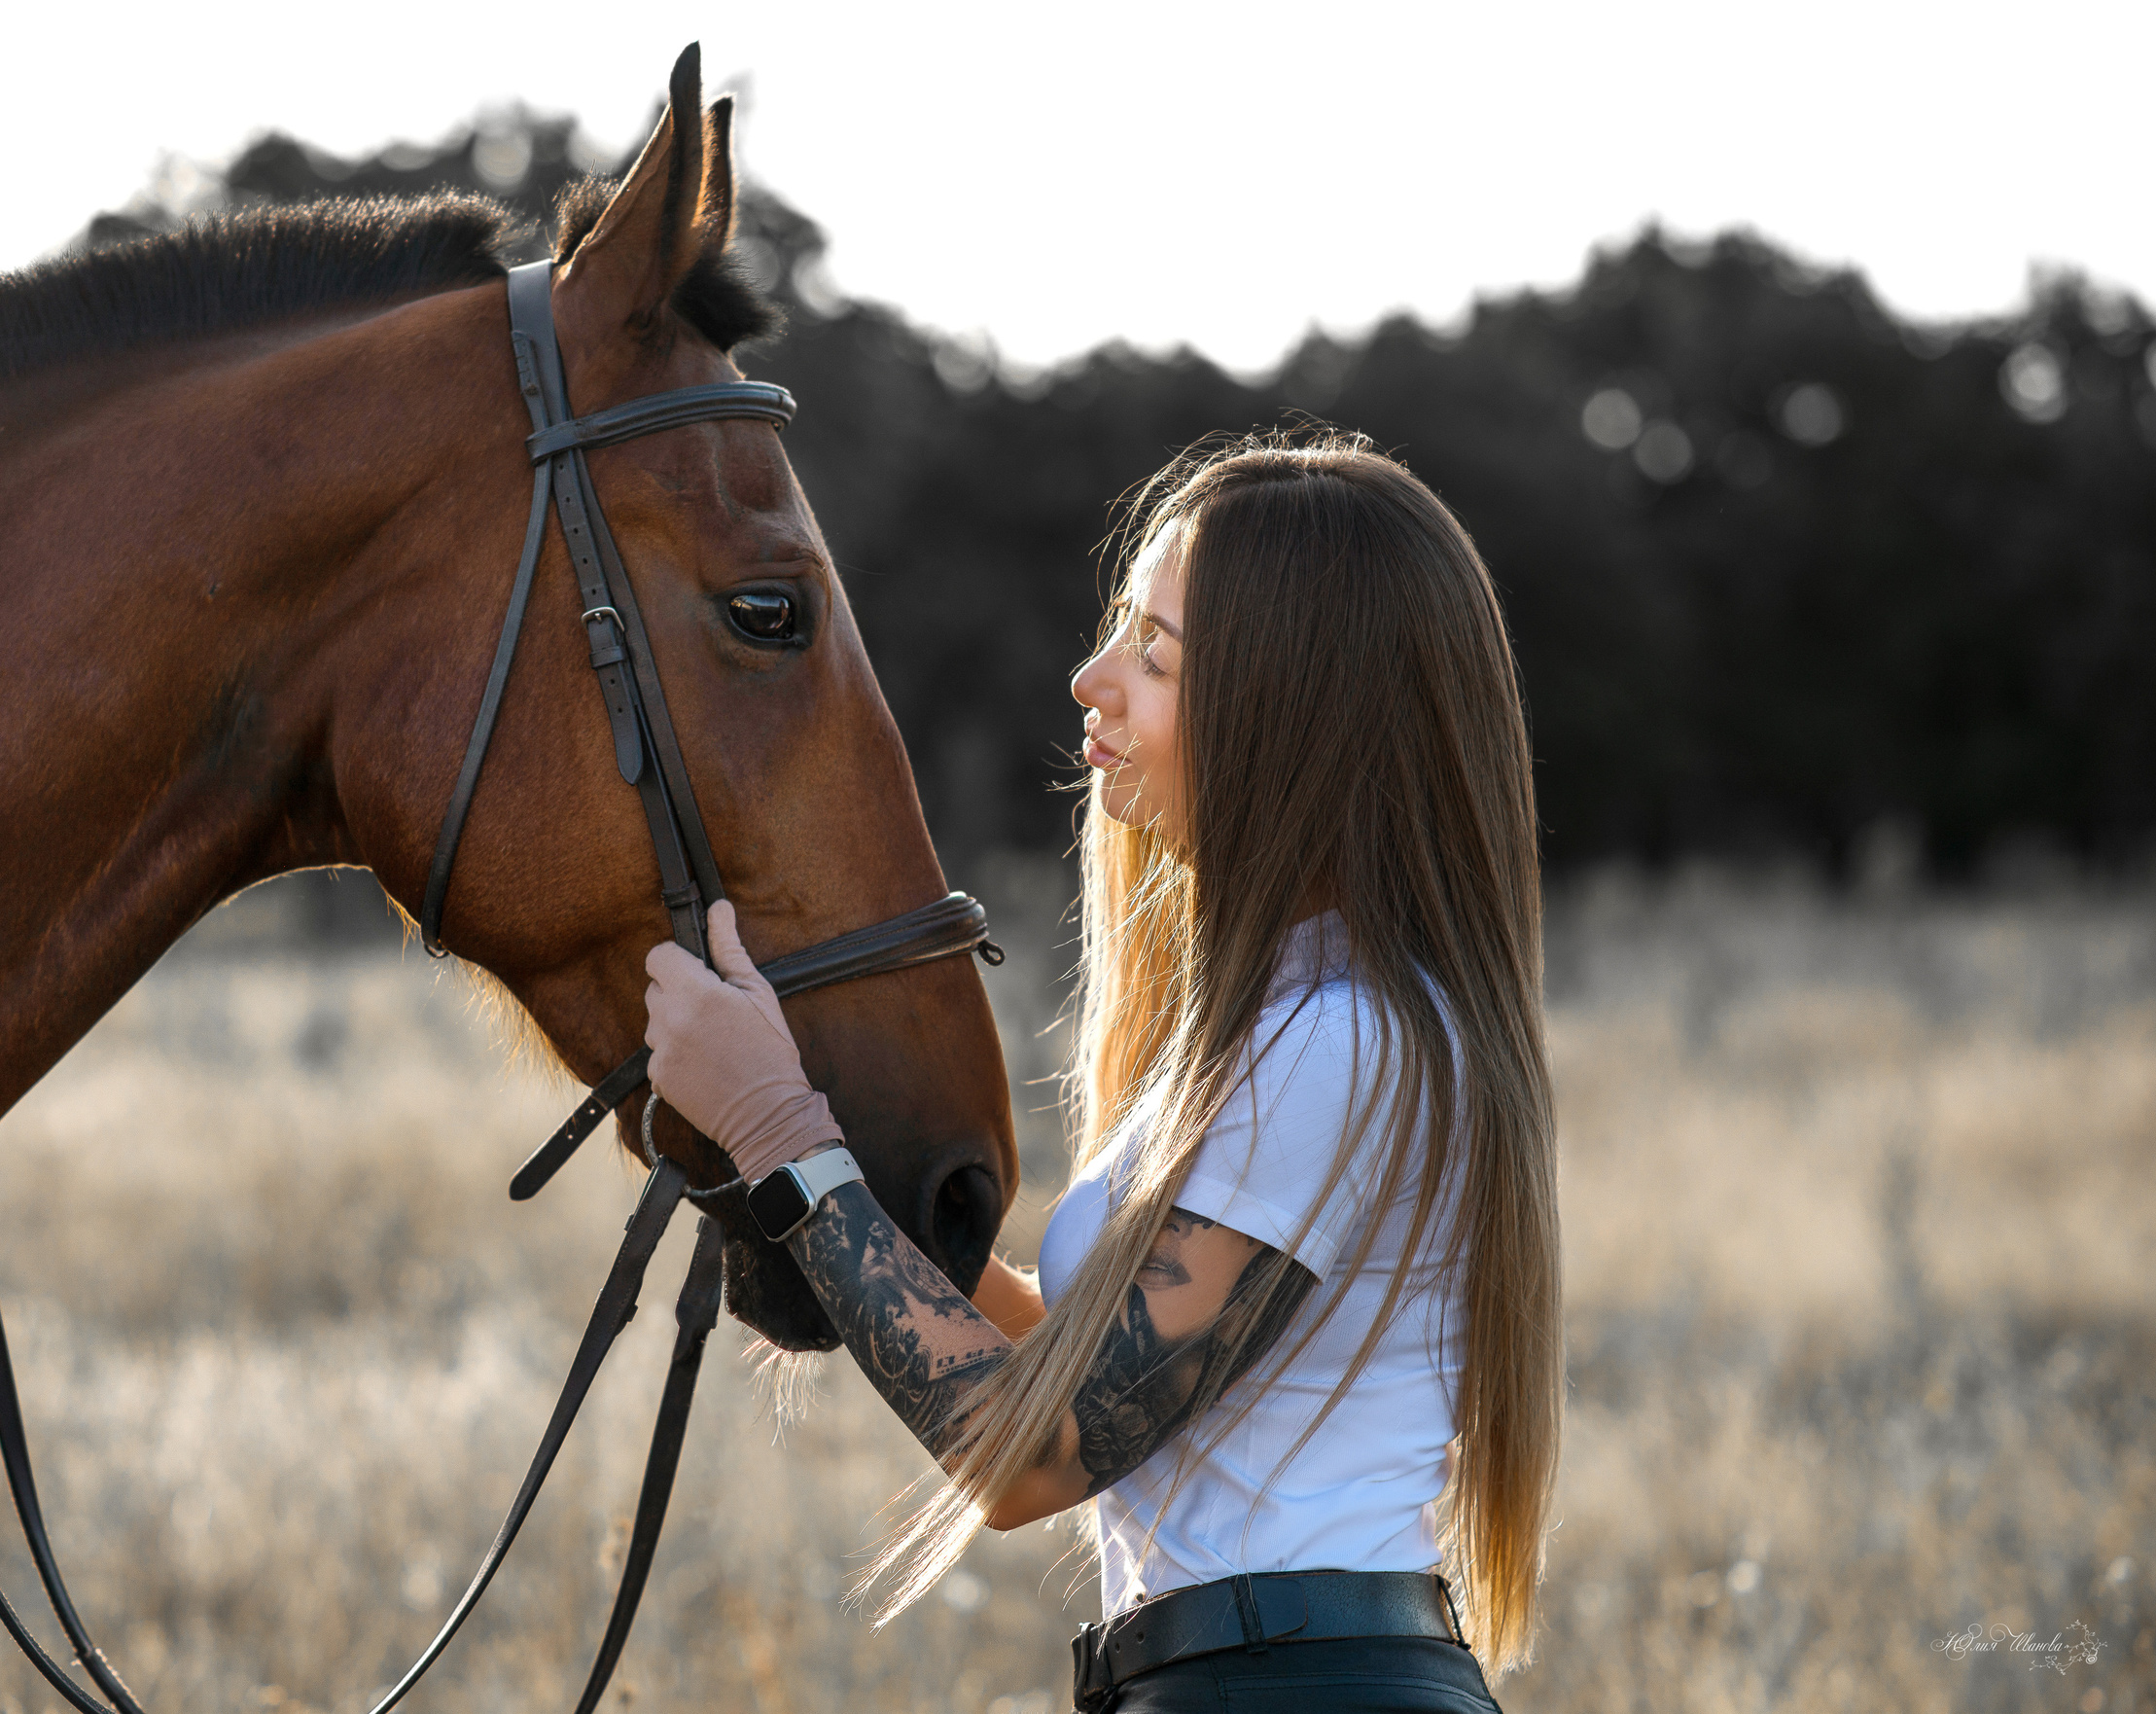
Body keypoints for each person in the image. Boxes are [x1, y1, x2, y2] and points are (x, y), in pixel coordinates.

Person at [643, 432, 1561, 1712]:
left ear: (1294, 705)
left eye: (1155, 654)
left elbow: (1041, 1458)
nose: (1091, 680)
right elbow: (1087, 1378)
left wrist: (780, 1133)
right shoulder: (1290, 1023)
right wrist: (842, 1151)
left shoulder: (1340, 1043)